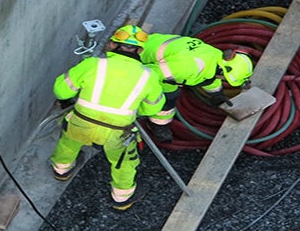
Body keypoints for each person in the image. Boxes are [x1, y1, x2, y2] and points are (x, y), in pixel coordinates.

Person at [49, 28, 165, 210]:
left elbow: (61, 91)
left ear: (111, 45)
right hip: (118, 131)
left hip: (81, 122)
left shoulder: (93, 64)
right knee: (124, 163)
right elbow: (153, 108)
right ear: (140, 51)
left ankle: (62, 170)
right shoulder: (149, 76)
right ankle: (122, 198)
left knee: (68, 143)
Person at [112, 25, 255, 141]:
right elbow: (146, 74)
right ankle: (158, 126)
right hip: (141, 60)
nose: (224, 81)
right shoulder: (186, 68)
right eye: (226, 79)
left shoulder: (214, 56)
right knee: (166, 100)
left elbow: (209, 77)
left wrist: (217, 94)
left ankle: (160, 124)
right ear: (222, 71)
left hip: (160, 58)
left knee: (171, 93)